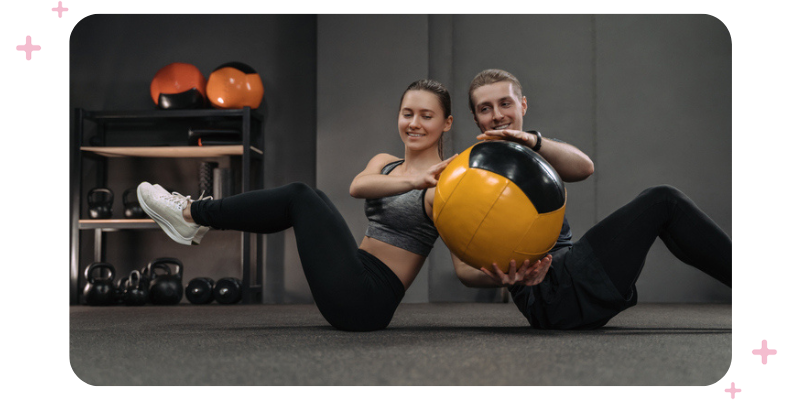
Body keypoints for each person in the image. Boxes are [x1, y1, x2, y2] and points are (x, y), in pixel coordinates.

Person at [136, 79, 552, 332]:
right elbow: (359, 187)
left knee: (301, 196)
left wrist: (509, 278)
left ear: (445, 124)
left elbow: (463, 269)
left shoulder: (447, 186)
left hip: (369, 300)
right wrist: (412, 178)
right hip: (353, 274)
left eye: (427, 116)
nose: (414, 123)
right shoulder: (385, 165)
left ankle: (192, 214)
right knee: (306, 198)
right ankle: (195, 219)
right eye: (407, 113)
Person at [450, 69, 732, 329]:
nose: (498, 115)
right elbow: (464, 270)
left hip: (570, 275)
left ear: (522, 105)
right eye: (485, 109)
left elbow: (584, 167)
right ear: (476, 118)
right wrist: (514, 273)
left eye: (505, 103)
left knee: (665, 210)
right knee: (662, 201)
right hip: (550, 294)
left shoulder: (532, 159)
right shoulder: (468, 175)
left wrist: (531, 141)